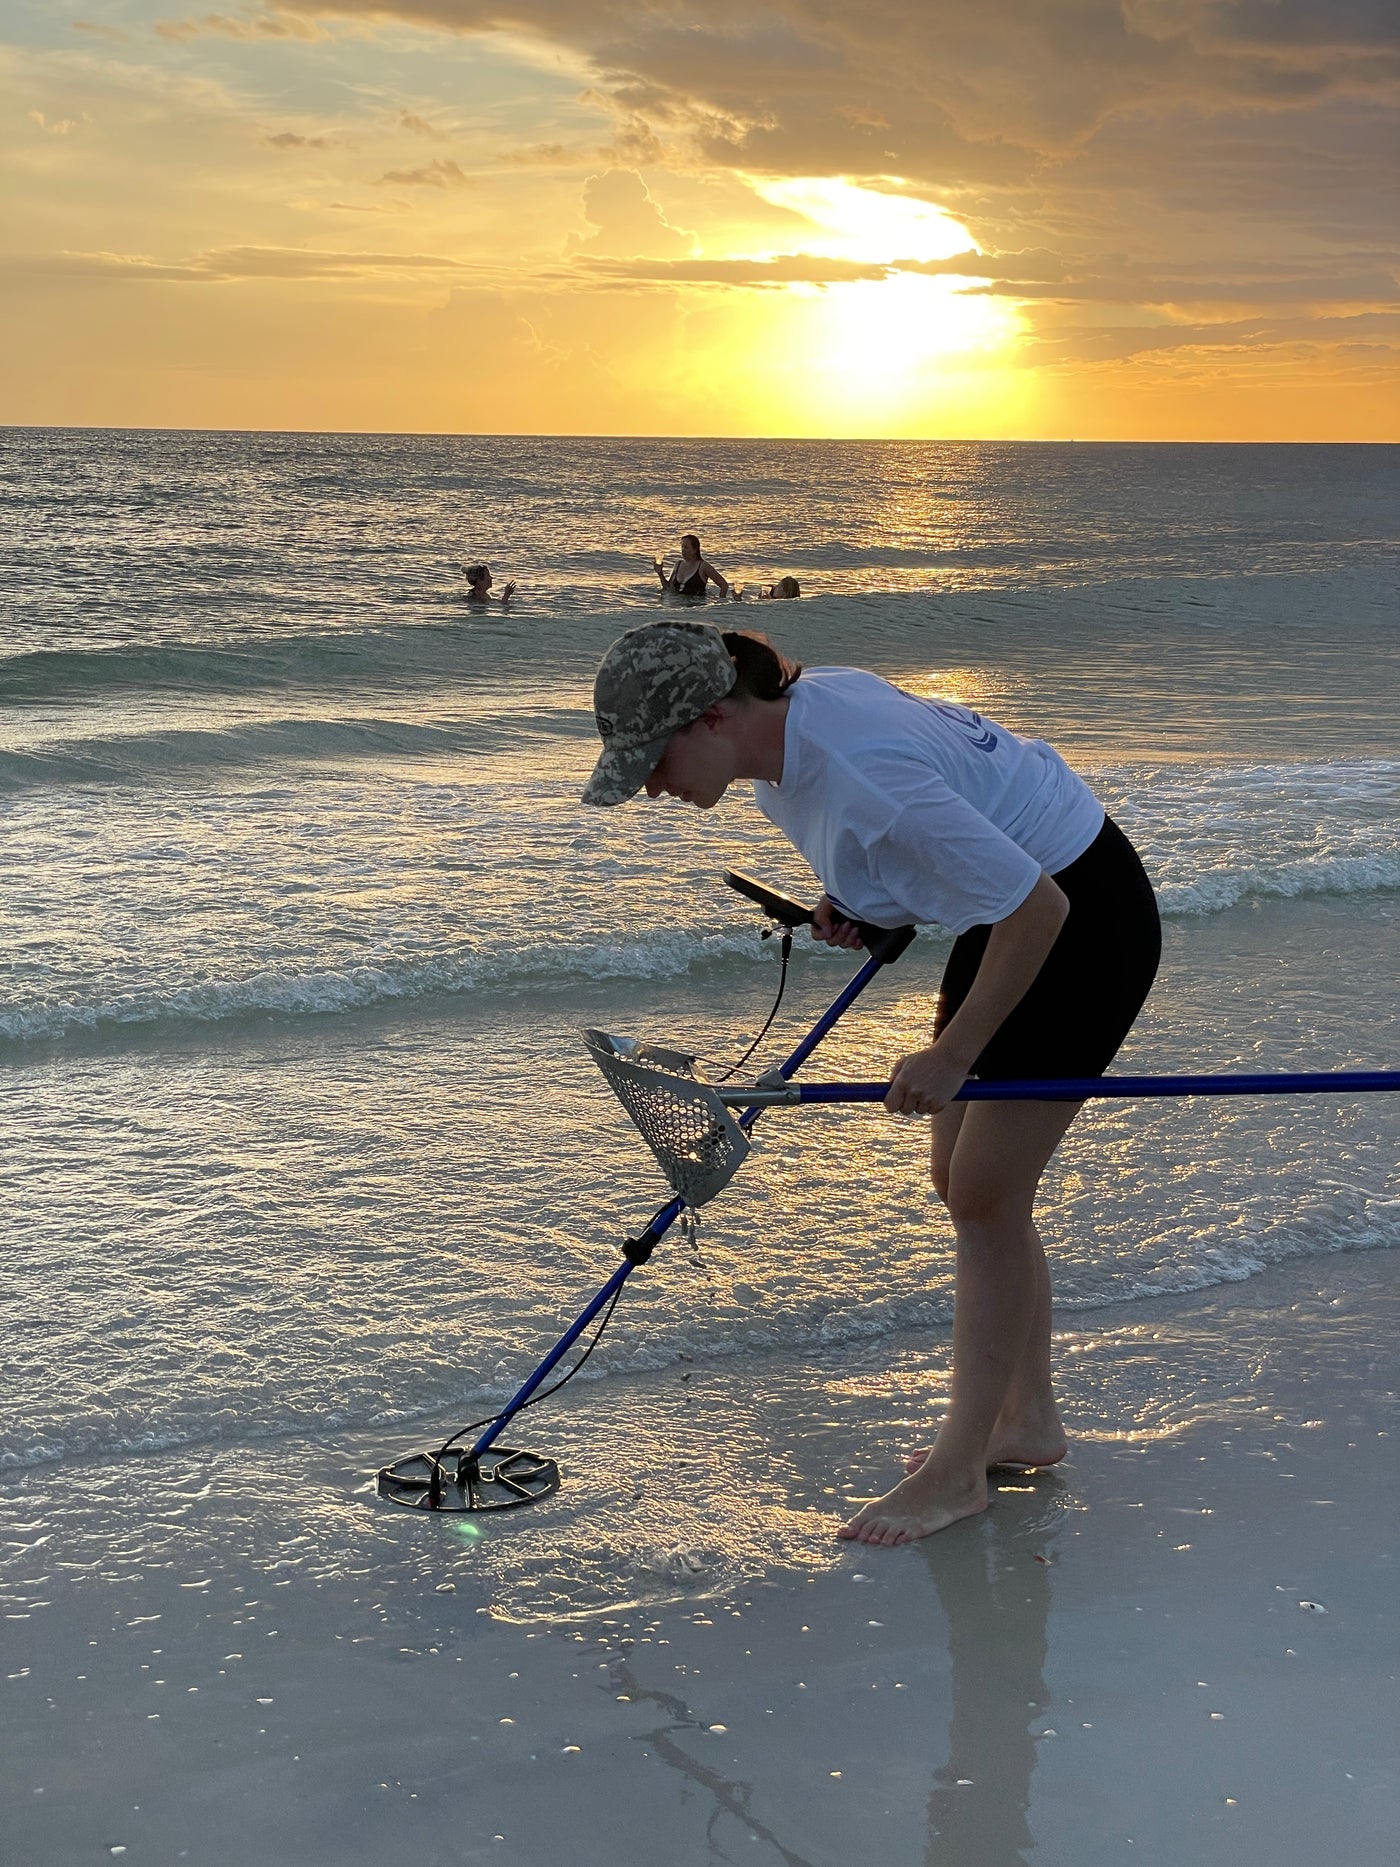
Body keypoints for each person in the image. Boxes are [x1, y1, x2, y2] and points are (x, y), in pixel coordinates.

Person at [581, 619, 1160, 1546]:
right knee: (961, 1184)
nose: (649, 784)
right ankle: (1028, 1419)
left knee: (983, 1197)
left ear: (716, 716)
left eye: (653, 757)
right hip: (1010, 902)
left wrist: (954, 1053)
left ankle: (959, 1469)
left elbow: (1036, 904)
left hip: (1076, 922)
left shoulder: (859, 780)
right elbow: (940, 839)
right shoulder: (786, 745)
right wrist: (862, 903)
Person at [654, 533, 729, 599]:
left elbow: (724, 585)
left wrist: (720, 603)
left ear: (695, 549)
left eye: (686, 547)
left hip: (695, 607)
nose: (683, 550)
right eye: (682, 547)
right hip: (676, 605)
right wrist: (660, 573)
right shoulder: (678, 564)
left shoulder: (703, 566)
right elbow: (669, 588)